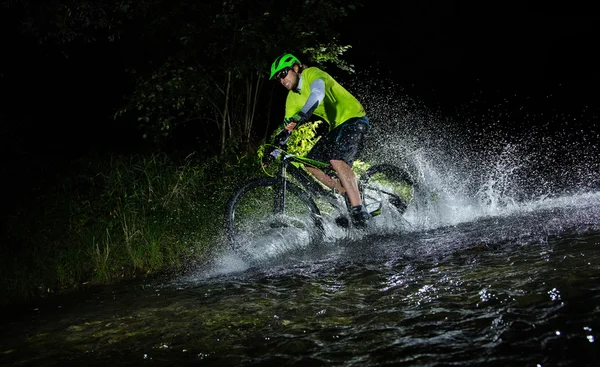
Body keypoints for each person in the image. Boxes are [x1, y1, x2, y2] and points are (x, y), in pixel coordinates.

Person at [269, 53, 372, 227]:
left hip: (354, 118)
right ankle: (345, 192)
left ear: (295, 68)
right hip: (336, 128)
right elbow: (287, 130)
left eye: (283, 74)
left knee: (336, 158)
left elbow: (317, 94)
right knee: (310, 163)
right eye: (278, 78)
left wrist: (302, 115)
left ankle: (358, 210)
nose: (281, 80)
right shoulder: (292, 98)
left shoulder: (312, 73)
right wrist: (273, 151)